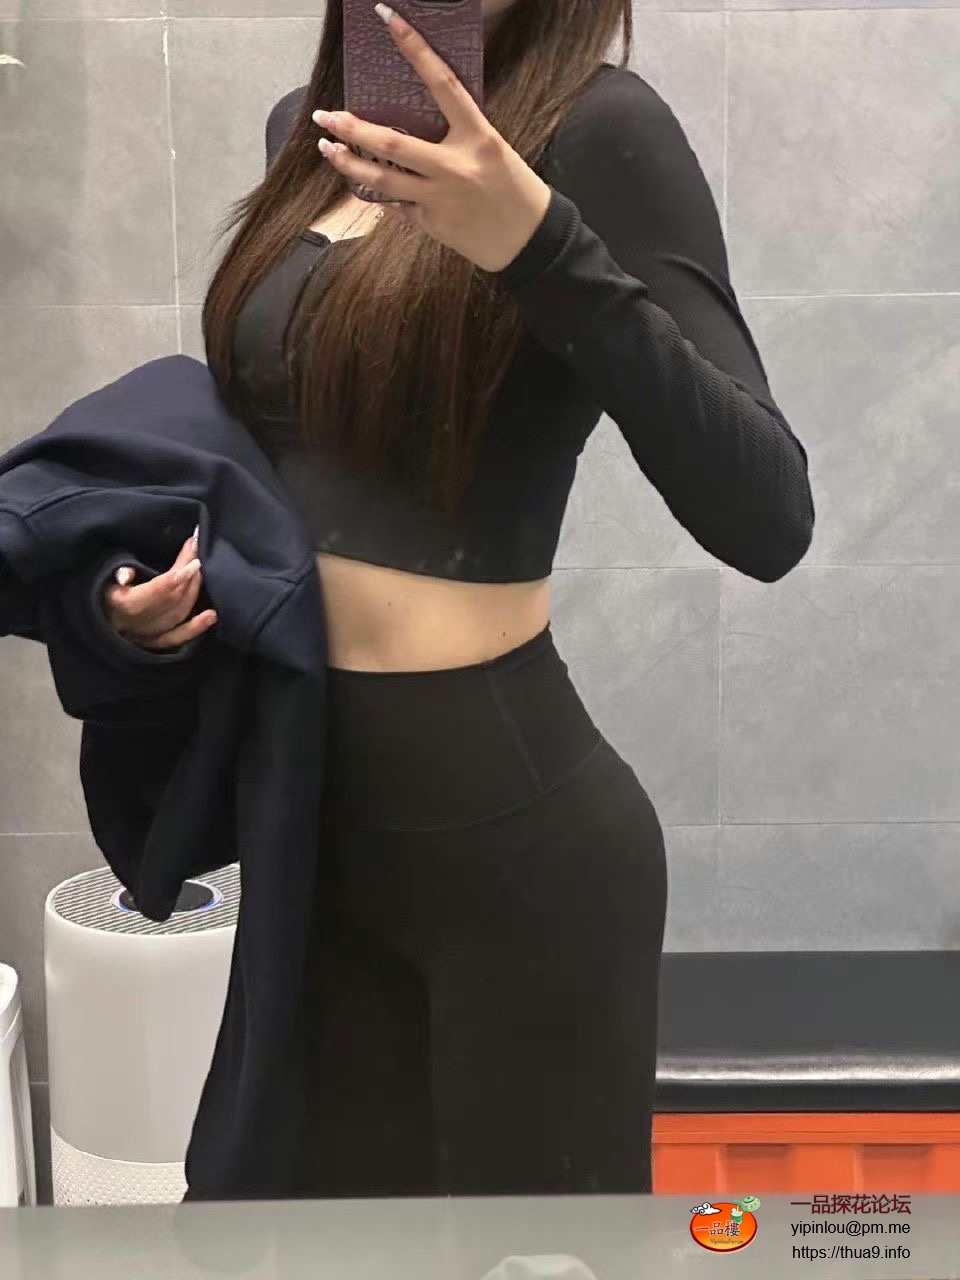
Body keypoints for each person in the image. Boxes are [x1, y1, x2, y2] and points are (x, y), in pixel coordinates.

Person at [101, 0, 814, 1197]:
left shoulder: (598, 130)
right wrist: (152, 591)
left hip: (518, 849)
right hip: (311, 824)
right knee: (302, 1246)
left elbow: (769, 517)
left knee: (533, 1261)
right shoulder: (308, 130)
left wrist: (539, 246)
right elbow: (283, 460)